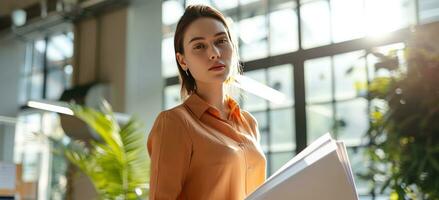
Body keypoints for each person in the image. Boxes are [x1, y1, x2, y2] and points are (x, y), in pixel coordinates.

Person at [147, 4, 266, 200]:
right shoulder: (174, 123)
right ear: (182, 60)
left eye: (221, 41)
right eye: (199, 46)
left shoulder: (248, 123)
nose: (214, 53)